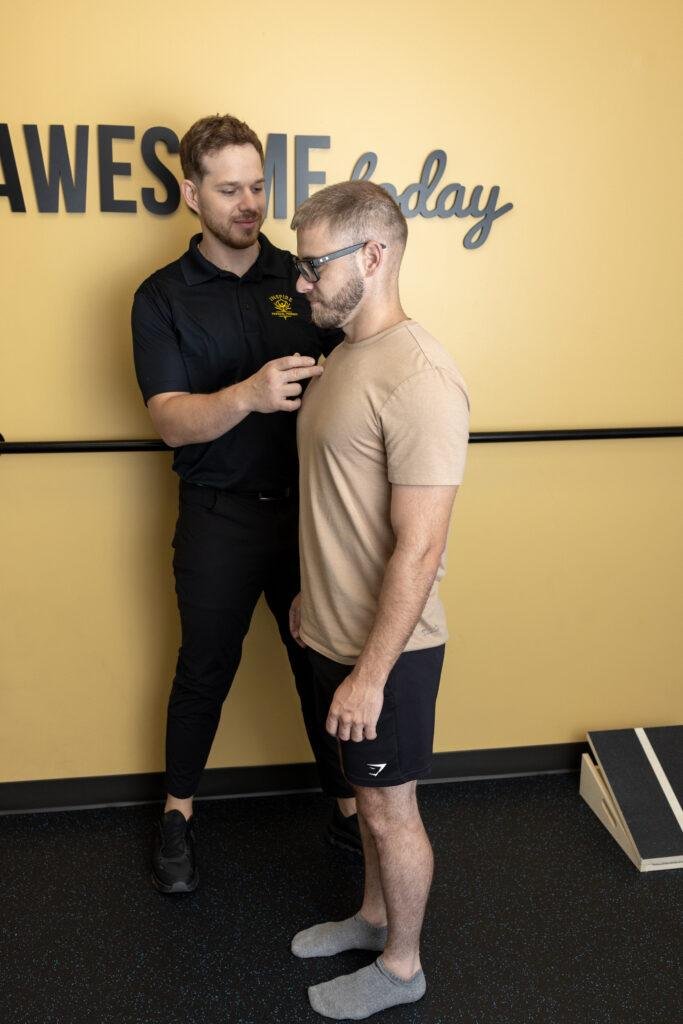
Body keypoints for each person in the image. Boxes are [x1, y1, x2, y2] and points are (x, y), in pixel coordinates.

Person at [131, 114, 360, 895]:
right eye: (228, 189)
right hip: (218, 515)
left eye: (258, 186)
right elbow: (168, 419)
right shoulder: (160, 297)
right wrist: (251, 394)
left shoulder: (302, 274)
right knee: (204, 668)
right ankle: (177, 816)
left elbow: (359, 361)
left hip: (308, 517)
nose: (248, 203)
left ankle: (350, 811)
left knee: (322, 667)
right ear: (191, 193)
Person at [287, 180, 470, 1019]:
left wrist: (368, 674)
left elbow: (421, 544)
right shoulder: (347, 360)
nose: (299, 283)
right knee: (365, 800)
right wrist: (311, 605)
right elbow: (339, 504)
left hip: (385, 656)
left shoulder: (420, 376)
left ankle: (402, 966)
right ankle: (370, 917)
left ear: (372, 256)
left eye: (311, 265)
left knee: (392, 812)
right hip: (330, 633)